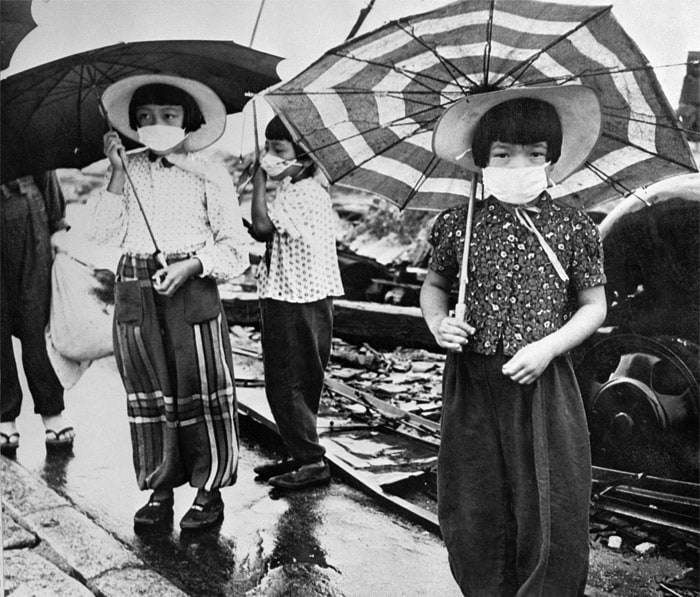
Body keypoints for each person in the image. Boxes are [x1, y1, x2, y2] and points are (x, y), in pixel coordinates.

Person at [422, 85, 607, 596]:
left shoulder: (574, 227)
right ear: (480, 160)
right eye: (502, 154)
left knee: (548, 504)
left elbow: (594, 306)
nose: (517, 163)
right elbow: (433, 287)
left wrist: (547, 347)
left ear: (552, 160)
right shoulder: (458, 225)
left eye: (534, 154)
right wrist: (440, 324)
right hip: (471, 381)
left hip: (543, 383)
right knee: (473, 500)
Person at [89, 74, 248, 532]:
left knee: (199, 390)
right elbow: (100, 235)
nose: (156, 125)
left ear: (188, 120)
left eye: (168, 116)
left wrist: (193, 265)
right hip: (137, 293)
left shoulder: (210, 172)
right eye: (145, 118)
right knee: (150, 393)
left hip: (191, 290)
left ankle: (208, 490)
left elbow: (236, 249)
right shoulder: (127, 169)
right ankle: (160, 488)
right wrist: (117, 173)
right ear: (131, 126)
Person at [249, 115, 344, 490]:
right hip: (297, 294)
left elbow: (262, 228)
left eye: (278, 149)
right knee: (295, 378)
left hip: (296, 297)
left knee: (288, 380)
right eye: (268, 148)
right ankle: (298, 452)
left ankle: (311, 461)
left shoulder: (305, 193)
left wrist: (258, 183)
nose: (270, 156)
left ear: (302, 153)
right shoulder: (296, 186)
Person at [1, 171, 75, 456]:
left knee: (37, 316)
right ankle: (3, 414)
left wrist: (56, 225)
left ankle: (52, 410)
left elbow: (45, 162)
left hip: (30, 213)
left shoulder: (24, 124)